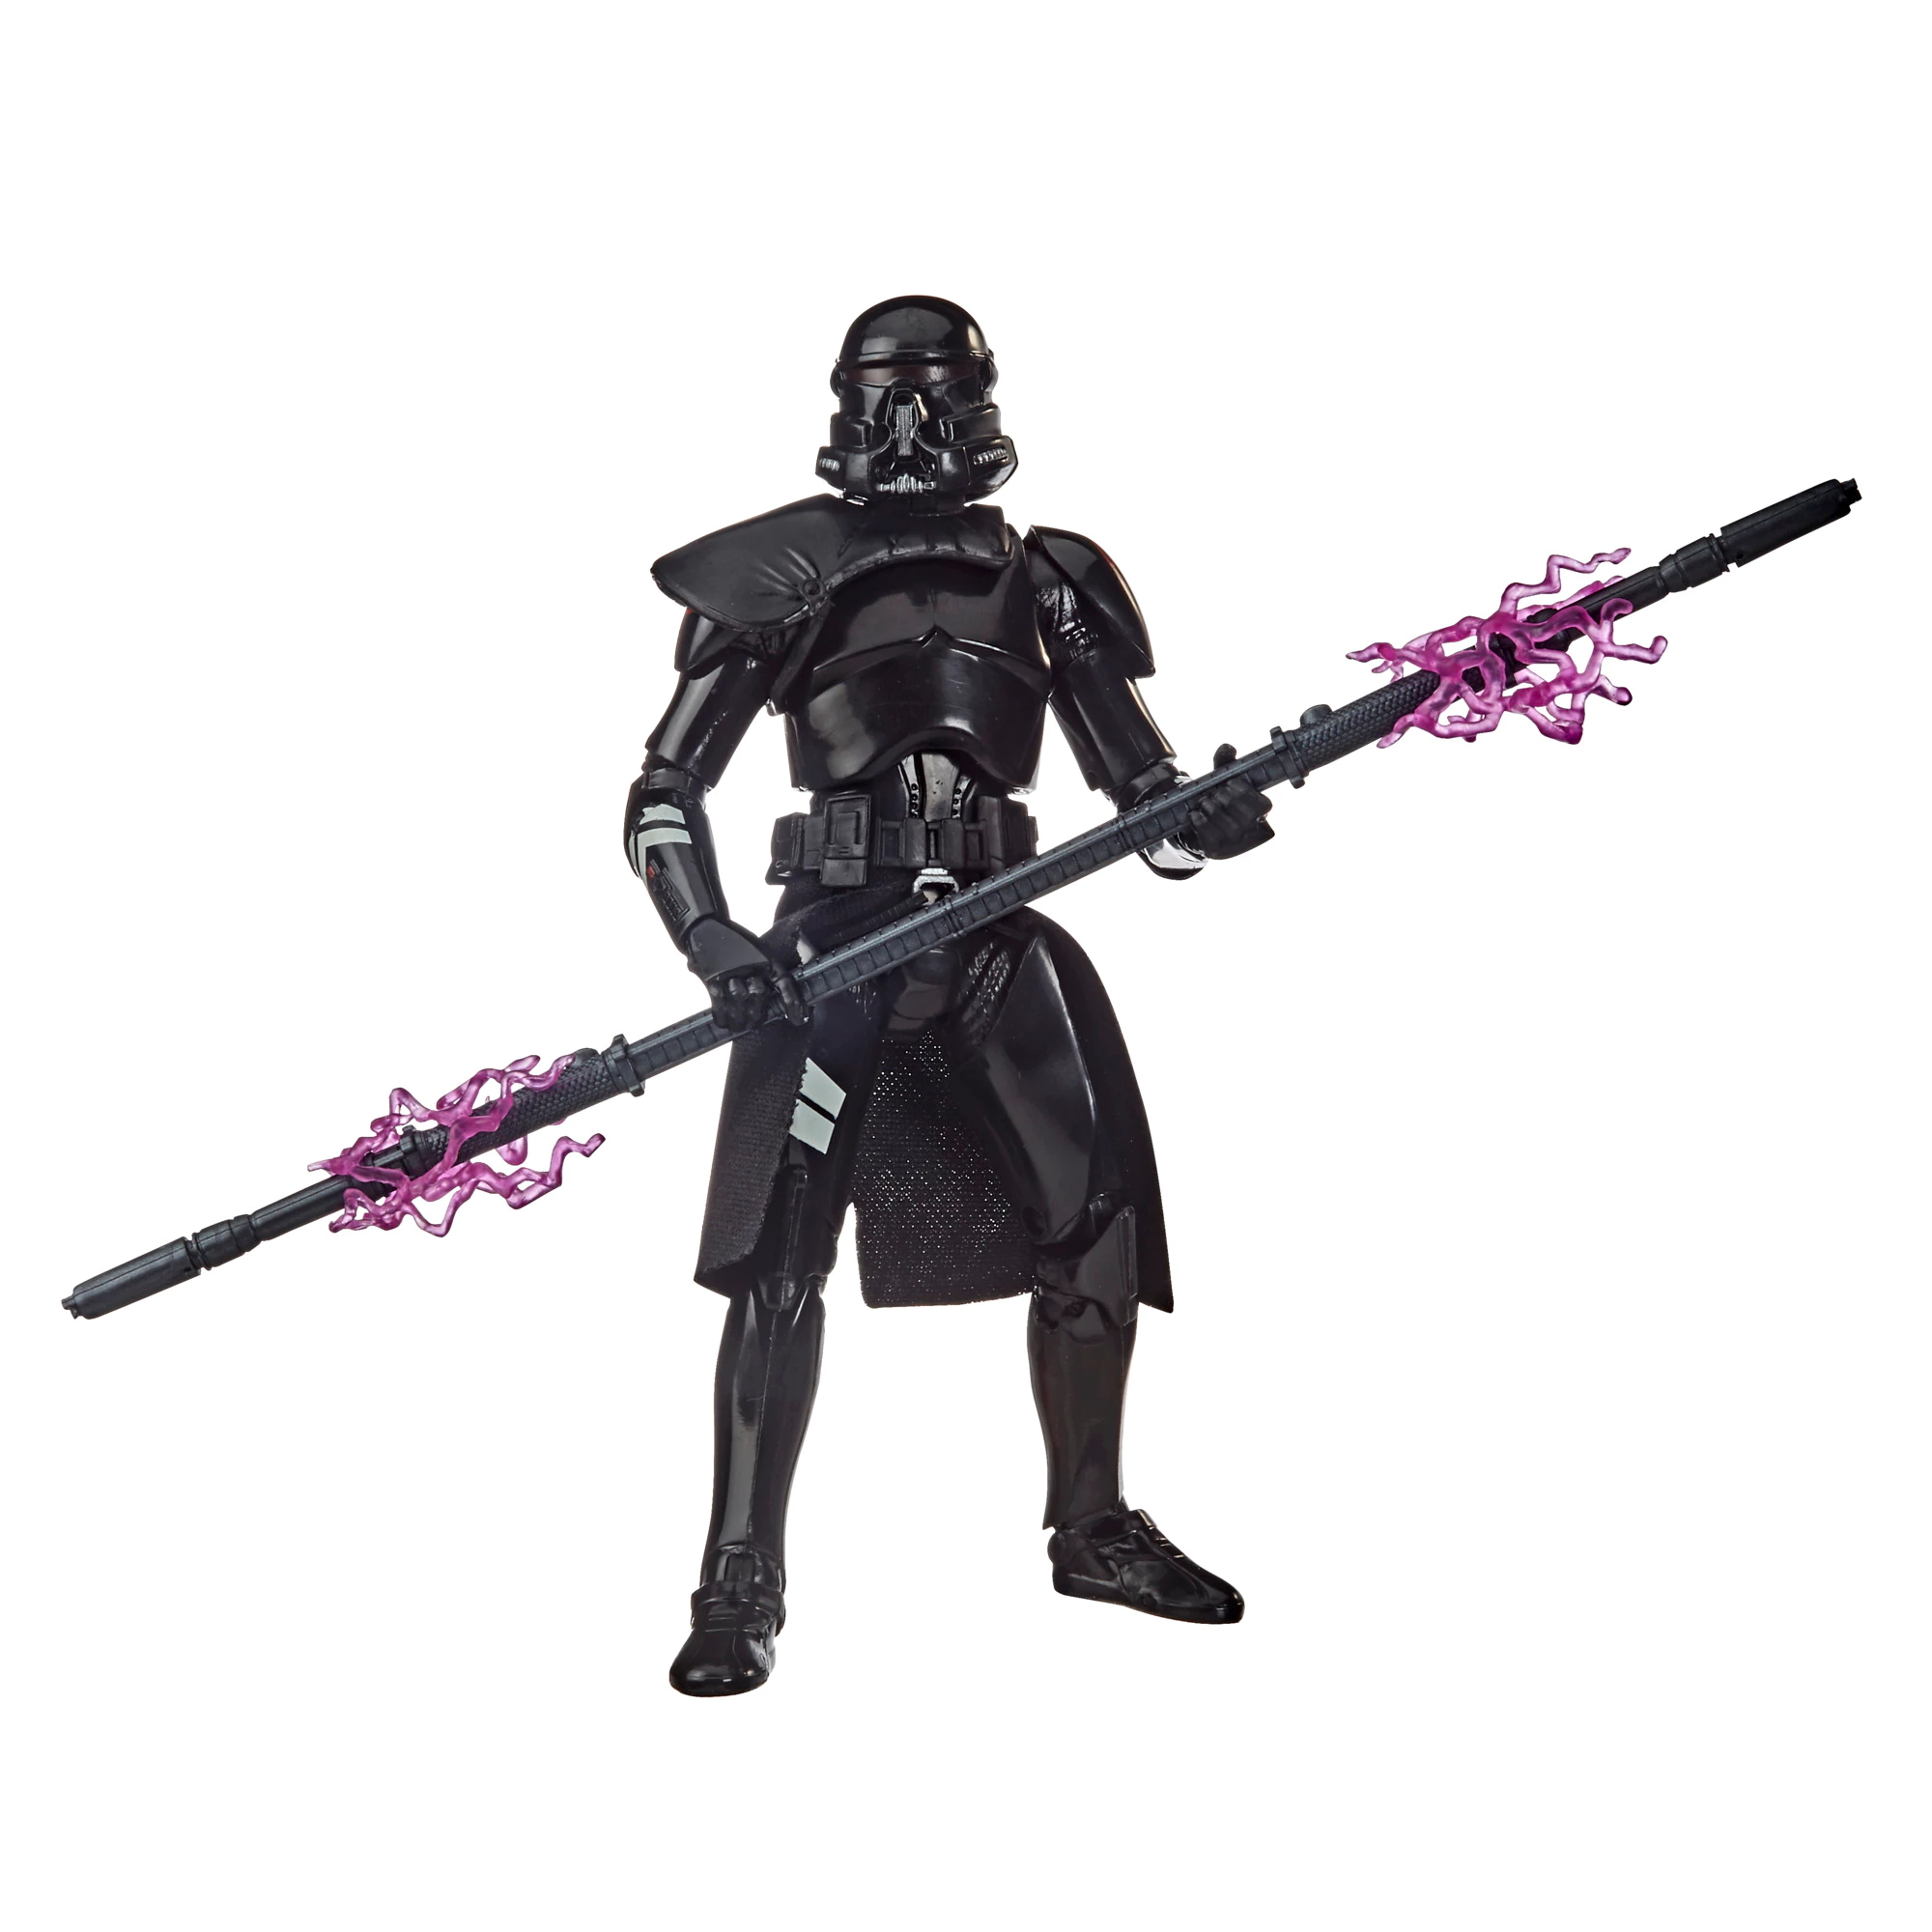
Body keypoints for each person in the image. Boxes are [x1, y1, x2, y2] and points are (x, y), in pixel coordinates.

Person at [628, 297, 1274, 1695]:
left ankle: (1092, 1527)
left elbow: (1143, 795)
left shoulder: (1047, 579)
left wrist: (1204, 820)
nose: (915, 426)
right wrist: (713, 939)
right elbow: (665, 788)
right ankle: (739, 1579)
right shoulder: (781, 572)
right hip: (830, 951)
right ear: (849, 407)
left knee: (1096, 1215)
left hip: (991, 934)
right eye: (891, 396)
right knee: (777, 1257)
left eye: (939, 393)